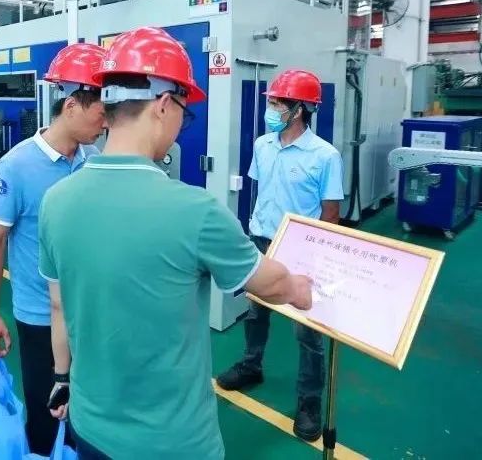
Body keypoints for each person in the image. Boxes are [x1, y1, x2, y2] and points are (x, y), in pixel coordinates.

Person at [36, 27, 315, 459]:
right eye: (184, 113)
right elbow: (272, 285)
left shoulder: (55, 201)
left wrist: (62, 378)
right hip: (171, 443)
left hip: (89, 426)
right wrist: (302, 287)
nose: (181, 127)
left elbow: (58, 306)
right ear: (164, 104)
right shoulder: (196, 211)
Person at [0, 43, 107, 456]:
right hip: (38, 316)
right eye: (100, 113)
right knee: (45, 414)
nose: (106, 123)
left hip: (88, 313)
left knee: (87, 414)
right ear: (71, 106)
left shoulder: (95, 160)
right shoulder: (16, 166)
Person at [215, 69, 343, 441]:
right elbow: (263, 192)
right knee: (256, 313)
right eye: (270, 102)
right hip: (261, 241)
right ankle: (251, 365)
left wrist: (315, 255)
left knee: (307, 330)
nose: (270, 109)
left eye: (277, 103)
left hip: (302, 251)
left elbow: (331, 213)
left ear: (299, 109)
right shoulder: (263, 145)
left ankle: (309, 400)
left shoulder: (325, 156)